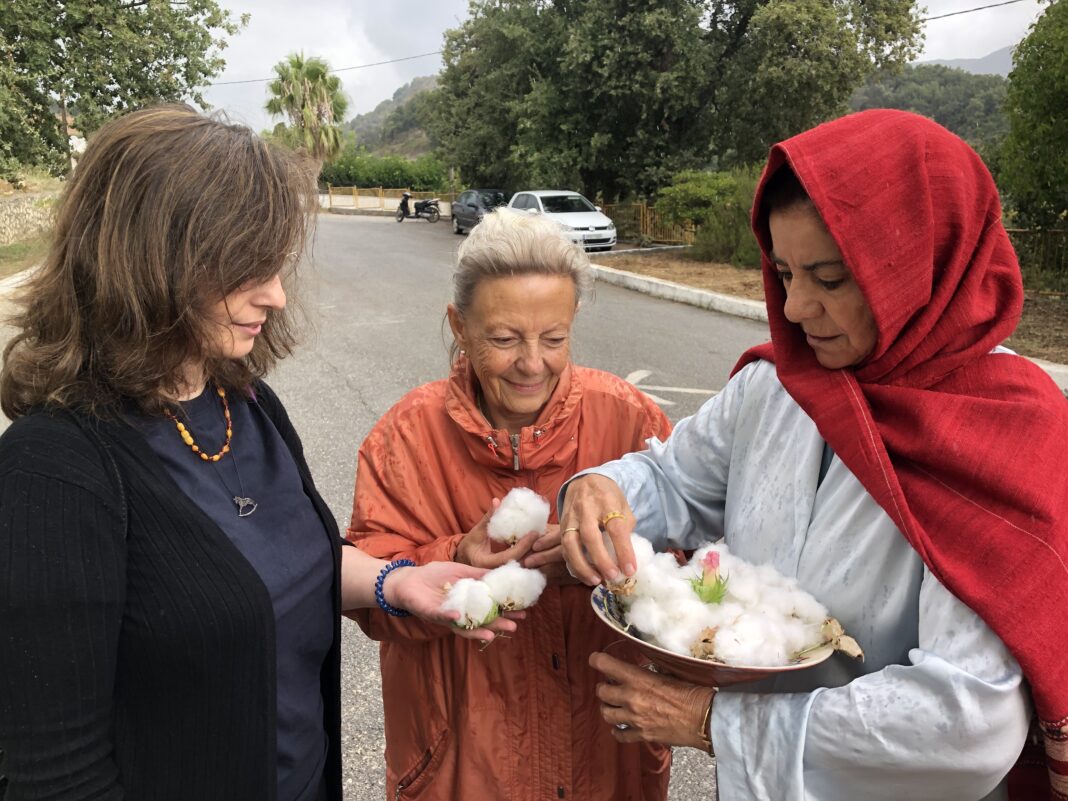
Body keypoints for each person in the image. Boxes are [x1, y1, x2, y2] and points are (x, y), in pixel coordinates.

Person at [0, 105, 515, 801]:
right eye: (244, 266)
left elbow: (280, 555)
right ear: (149, 259)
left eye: (274, 264)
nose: (274, 294)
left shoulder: (243, 400)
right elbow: (57, 775)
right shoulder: (53, 471)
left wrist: (397, 582)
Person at [559, 109, 1067, 801]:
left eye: (829, 279)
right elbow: (675, 480)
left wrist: (717, 722)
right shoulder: (778, 386)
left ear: (918, 266)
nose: (794, 307)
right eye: (783, 270)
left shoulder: (1005, 429)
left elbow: (969, 721)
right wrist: (600, 489)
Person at [346, 209, 674, 800]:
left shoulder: (633, 420)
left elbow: (693, 579)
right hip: (459, 767)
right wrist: (455, 558)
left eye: (554, 338)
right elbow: (368, 595)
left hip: (606, 763)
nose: (532, 364)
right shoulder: (402, 439)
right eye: (502, 339)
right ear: (459, 325)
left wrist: (607, 567)